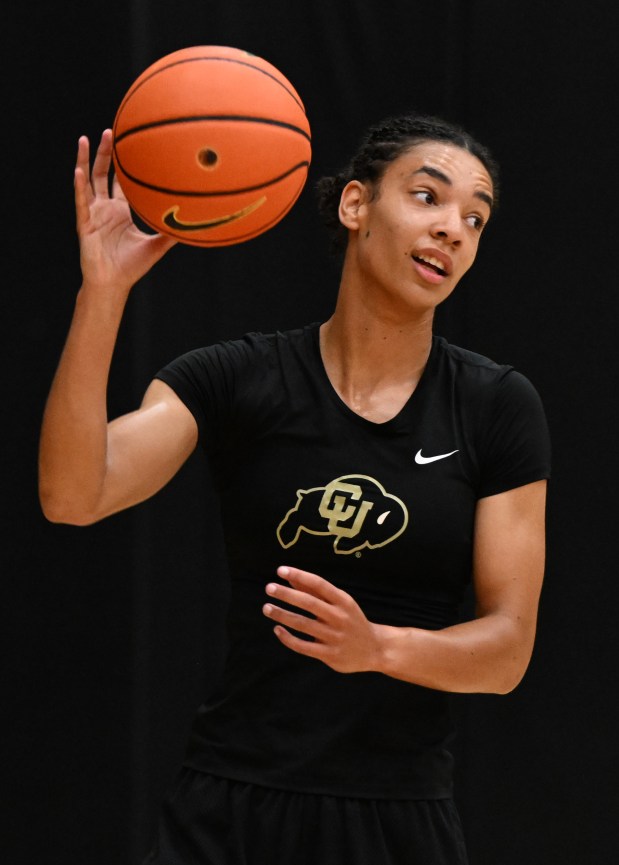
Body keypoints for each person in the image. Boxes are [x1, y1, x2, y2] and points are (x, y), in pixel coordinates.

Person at [39, 113, 551, 865]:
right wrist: (104, 292)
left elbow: (507, 651)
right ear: (355, 205)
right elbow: (73, 494)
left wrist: (376, 646)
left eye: (475, 218)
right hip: (231, 806)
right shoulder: (237, 377)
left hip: (395, 814)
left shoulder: (495, 405)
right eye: (427, 196)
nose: (453, 229)